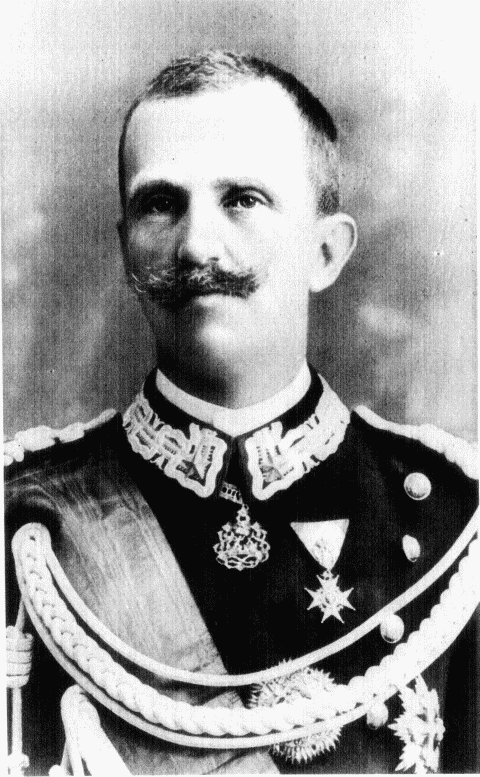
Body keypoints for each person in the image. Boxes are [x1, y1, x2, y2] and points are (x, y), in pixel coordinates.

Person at [4, 51, 478, 776]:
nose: (197, 244)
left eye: (243, 199)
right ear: (126, 250)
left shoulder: (451, 521)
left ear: (326, 251)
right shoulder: (26, 518)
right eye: (161, 203)